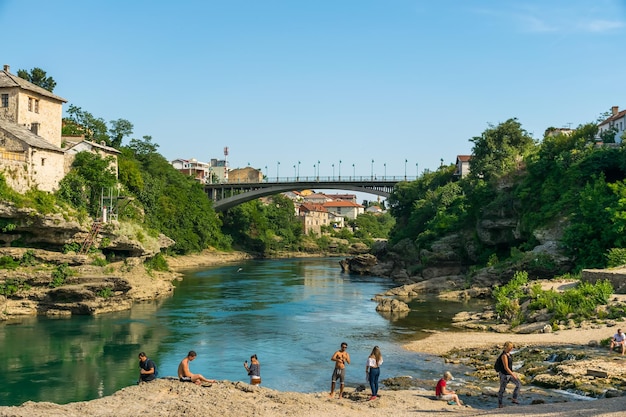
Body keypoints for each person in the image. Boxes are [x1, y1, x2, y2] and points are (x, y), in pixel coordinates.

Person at [496, 341, 521, 408]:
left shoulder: (509, 354)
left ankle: (514, 398)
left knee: (518, 384)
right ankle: (500, 404)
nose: (511, 348)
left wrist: (512, 373)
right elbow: (506, 367)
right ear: (506, 347)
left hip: (509, 374)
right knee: (502, 389)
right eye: (510, 347)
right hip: (504, 375)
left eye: (512, 347)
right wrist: (513, 374)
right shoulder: (504, 355)